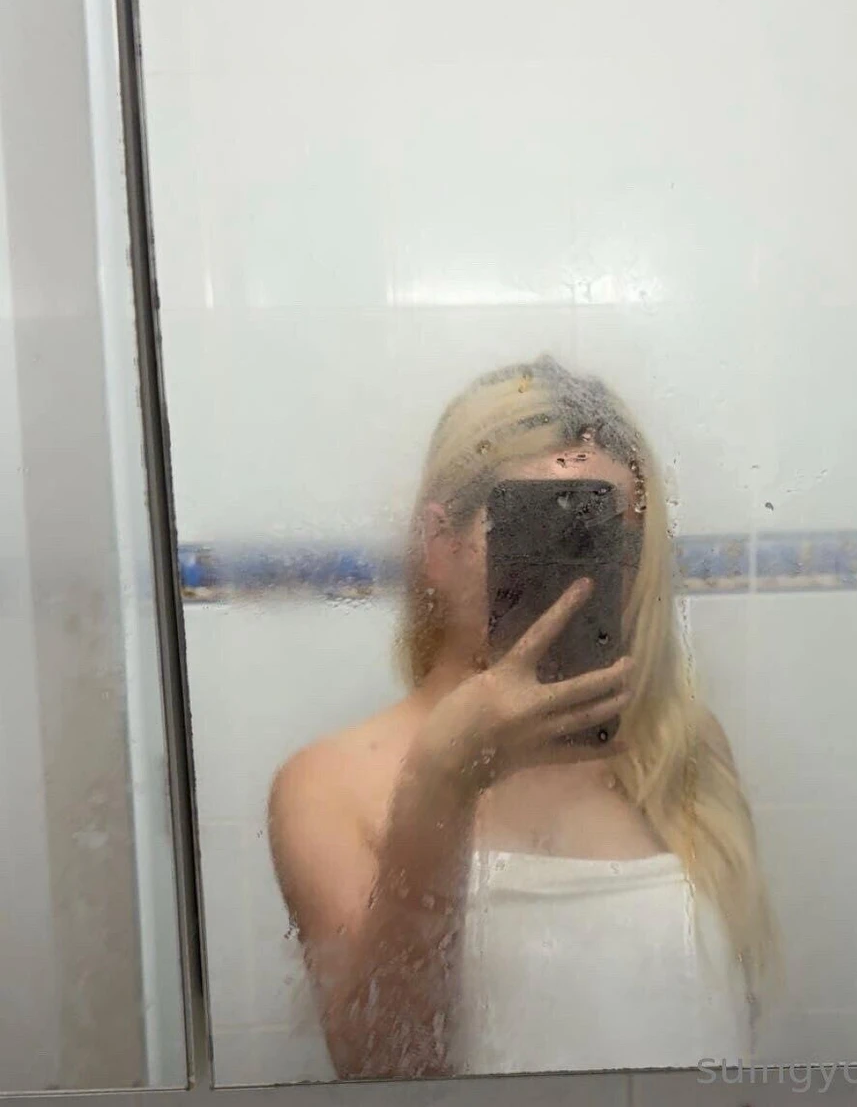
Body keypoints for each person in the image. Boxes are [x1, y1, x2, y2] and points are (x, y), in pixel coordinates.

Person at [267, 356, 776, 1079]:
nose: (578, 572)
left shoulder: (678, 746)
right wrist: (441, 781)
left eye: (606, 536)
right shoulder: (328, 786)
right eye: (543, 531)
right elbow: (387, 1069)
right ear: (439, 545)